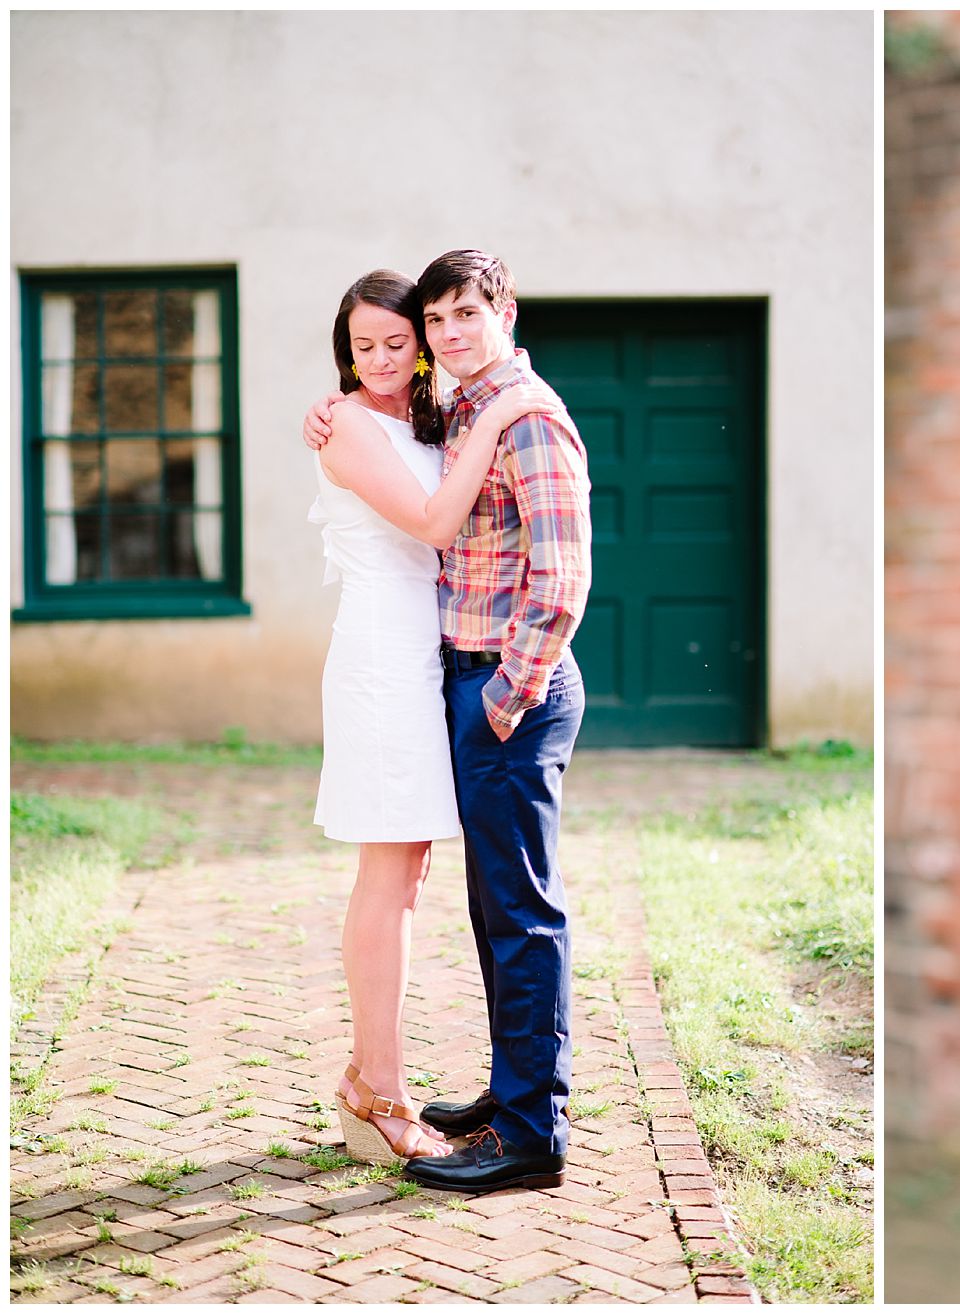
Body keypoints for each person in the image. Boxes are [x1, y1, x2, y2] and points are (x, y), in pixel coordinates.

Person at [312, 250, 592, 1193]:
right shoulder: (457, 410)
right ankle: (507, 1096)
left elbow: (563, 577)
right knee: (488, 901)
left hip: (501, 687)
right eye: (434, 321)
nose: (442, 336)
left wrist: (507, 697)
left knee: (519, 909)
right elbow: (426, 503)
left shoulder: (525, 415)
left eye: (461, 315)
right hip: (434, 671)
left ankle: (530, 1130)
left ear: (505, 311)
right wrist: (336, 408)